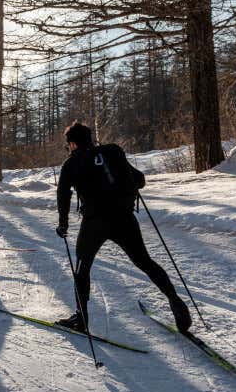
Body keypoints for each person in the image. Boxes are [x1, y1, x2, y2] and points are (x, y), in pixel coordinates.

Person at [55, 121, 192, 333]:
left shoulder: (71, 164)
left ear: (72, 144)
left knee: (82, 270)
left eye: (69, 145)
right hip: (124, 219)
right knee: (144, 261)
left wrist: (63, 224)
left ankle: (81, 319)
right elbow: (139, 180)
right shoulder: (111, 153)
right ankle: (175, 301)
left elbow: (63, 195)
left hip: (94, 223)